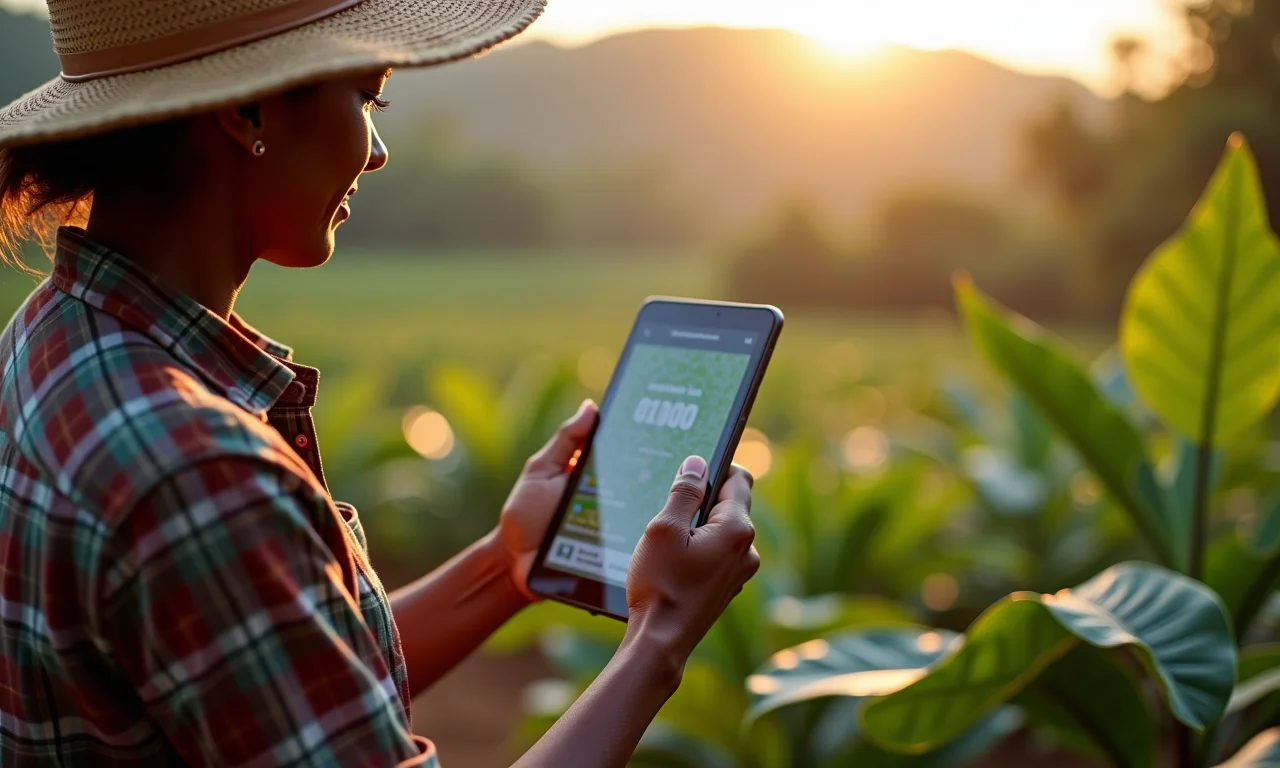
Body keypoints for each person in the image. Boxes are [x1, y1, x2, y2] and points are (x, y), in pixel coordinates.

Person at [0, 1, 761, 766]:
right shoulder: (198, 469)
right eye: (369, 95)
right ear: (246, 109)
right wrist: (659, 634)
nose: (376, 153)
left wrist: (504, 563)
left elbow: (285, 682)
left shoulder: (48, 336)